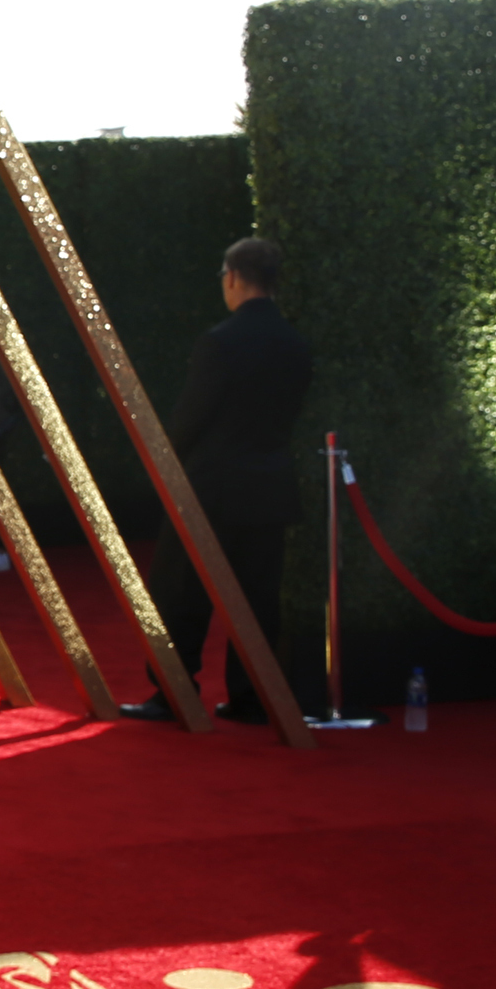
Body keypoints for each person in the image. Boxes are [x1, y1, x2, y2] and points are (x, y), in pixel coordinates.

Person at [120, 236, 312, 723]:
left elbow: (191, 418)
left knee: (181, 592)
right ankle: (253, 697)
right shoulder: (295, 343)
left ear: (231, 277)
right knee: (259, 599)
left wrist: (166, 459)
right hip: (268, 486)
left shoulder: (219, 342)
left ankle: (173, 693)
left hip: (211, 488)